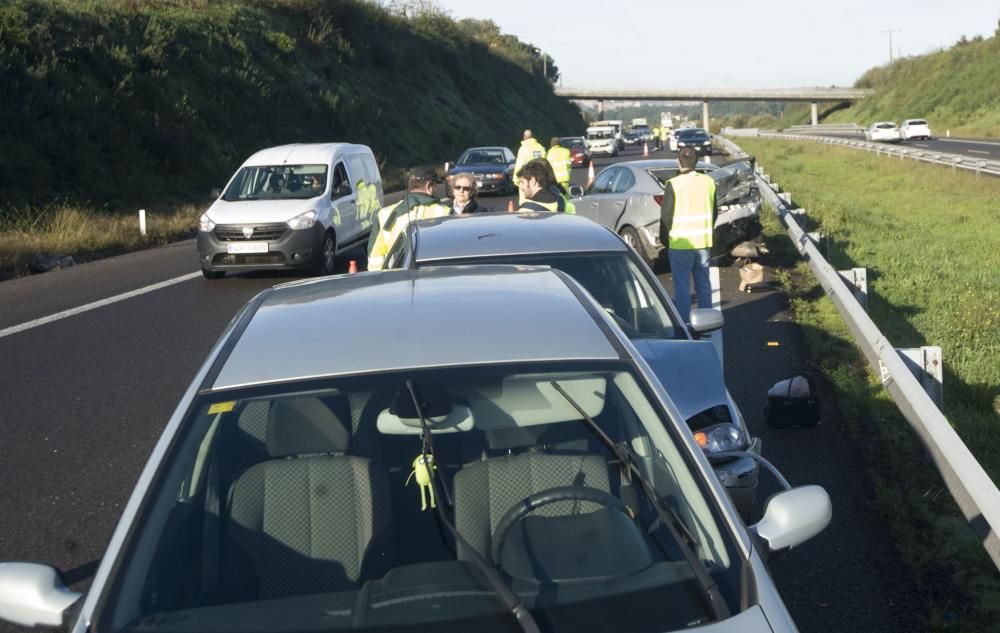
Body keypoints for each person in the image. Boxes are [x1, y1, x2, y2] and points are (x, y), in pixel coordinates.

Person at [659, 146, 717, 323]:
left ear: (678, 161)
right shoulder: (708, 182)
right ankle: (707, 322)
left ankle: (685, 324)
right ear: (697, 161)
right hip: (703, 242)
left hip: (680, 243)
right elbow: (714, 212)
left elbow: (666, 217)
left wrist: (665, 239)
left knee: (682, 287)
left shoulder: (673, 184)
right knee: (704, 284)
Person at [367, 167, 450, 271]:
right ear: (429, 186)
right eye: (435, 186)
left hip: (395, 278)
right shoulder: (446, 212)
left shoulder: (384, 213)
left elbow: (375, 255)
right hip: (433, 276)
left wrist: (379, 279)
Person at [513, 129, 546, 202]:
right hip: (540, 179)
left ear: (524, 137)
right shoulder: (541, 148)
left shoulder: (523, 149)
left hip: (527, 180)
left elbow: (519, 165)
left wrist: (516, 181)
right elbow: (545, 163)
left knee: (525, 202)